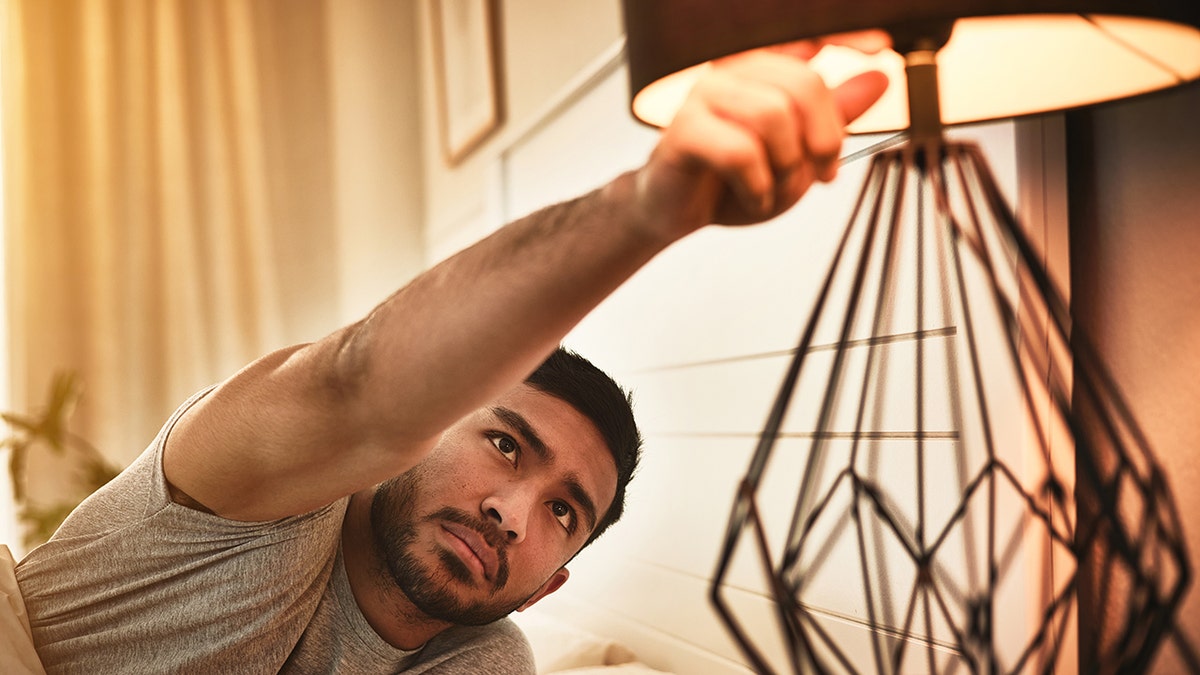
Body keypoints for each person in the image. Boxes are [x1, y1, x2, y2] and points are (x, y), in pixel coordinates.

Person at [14, 35, 890, 673]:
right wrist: (650, 206)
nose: (513, 511)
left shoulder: (487, 656)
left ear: (552, 587)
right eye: (505, 443)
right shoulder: (258, 489)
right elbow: (359, 388)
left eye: (563, 513)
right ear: (425, 428)